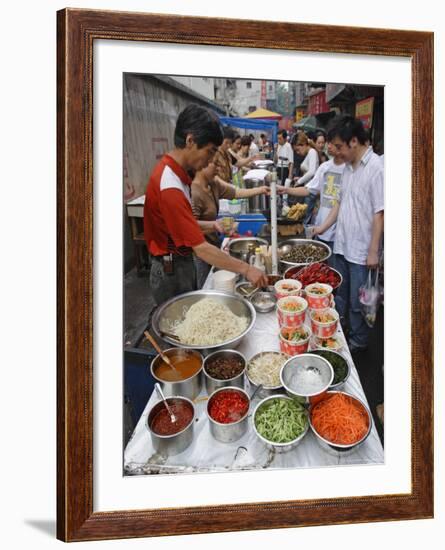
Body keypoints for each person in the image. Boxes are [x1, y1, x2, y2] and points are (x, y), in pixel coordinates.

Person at [143, 104, 268, 305]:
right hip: (171, 269)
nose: (211, 160)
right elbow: (200, 247)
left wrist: (211, 225)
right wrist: (246, 268)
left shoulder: (178, 174)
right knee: (176, 328)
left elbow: (181, 224)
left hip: (180, 262)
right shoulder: (170, 186)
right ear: (190, 141)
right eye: (209, 152)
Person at [312, 115, 384, 352]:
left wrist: (374, 251)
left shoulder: (376, 168)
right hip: (341, 244)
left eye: (339, 147)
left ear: (354, 141)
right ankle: (342, 334)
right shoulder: (347, 169)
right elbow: (338, 204)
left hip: (362, 251)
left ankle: (359, 343)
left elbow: (380, 212)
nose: (336, 153)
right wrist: (321, 229)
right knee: (341, 294)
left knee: (358, 302)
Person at [192, 162, 270, 287]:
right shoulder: (194, 192)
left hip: (213, 244)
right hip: (202, 251)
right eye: (215, 164)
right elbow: (190, 227)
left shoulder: (213, 185)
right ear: (202, 163)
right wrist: (214, 225)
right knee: (206, 285)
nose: (219, 169)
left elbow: (236, 193)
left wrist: (261, 190)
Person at [276, 134, 345, 262]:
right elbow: (309, 190)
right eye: (328, 142)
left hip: (340, 235)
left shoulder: (349, 169)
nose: (327, 146)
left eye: (331, 143)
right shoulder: (325, 167)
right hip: (322, 229)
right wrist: (286, 189)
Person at [292, 132, 320, 222]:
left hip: (310, 190)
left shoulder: (312, 152)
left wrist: (299, 181)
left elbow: (312, 172)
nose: (298, 152)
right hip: (308, 188)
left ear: (303, 144)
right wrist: (300, 178)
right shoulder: (310, 153)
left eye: (298, 149)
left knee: (305, 218)